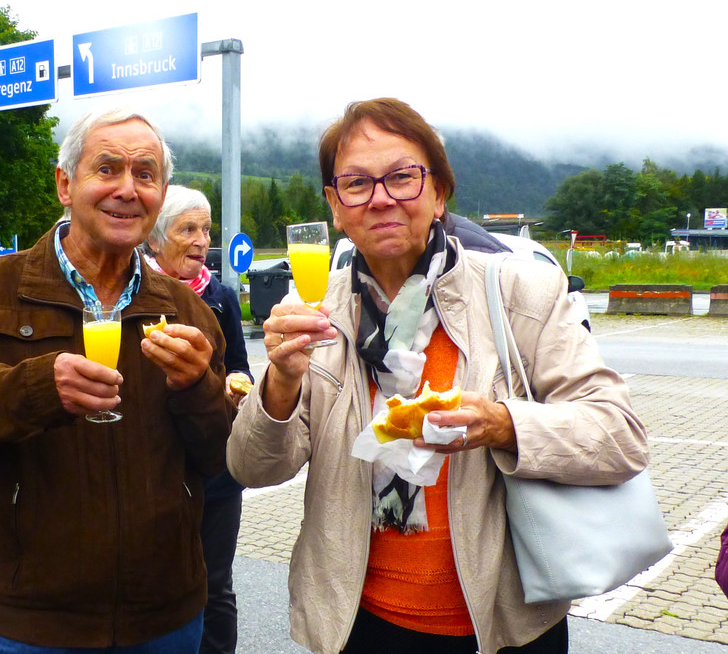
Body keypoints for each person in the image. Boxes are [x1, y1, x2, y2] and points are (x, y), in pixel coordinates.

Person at [226, 97, 647, 654]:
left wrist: (502, 425)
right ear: (335, 205)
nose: (380, 198)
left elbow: (620, 436)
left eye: (402, 177)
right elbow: (252, 467)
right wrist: (280, 382)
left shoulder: (519, 294)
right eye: (356, 183)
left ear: (439, 192)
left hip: (503, 625)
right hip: (358, 624)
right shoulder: (318, 313)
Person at [0, 106, 234, 654]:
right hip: (32, 624)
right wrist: (30, 391)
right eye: (108, 169)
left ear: (159, 195)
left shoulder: (186, 309)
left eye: (145, 174)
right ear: (65, 184)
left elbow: (220, 458)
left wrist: (198, 389)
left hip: (167, 619)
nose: (128, 189)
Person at [144, 185, 252, 654]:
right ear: (155, 238)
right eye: (187, 229)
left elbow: (240, 366)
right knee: (155, 581)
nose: (201, 240)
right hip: (158, 465)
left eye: (206, 229)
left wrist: (237, 384)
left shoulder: (221, 296)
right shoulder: (135, 295)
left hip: (216, 468)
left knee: (215, 584)